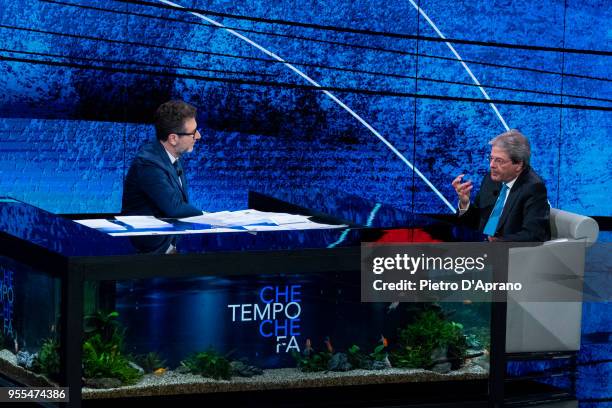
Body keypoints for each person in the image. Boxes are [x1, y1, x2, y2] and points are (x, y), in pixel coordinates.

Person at [452, 129, 551, 242]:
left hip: (508, 254)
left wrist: (498, 242)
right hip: (479, 248)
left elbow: (534, 234)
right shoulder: (490, 179)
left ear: (519, 164)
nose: (492, 165)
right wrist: (465, 203)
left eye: (499, 160)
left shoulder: (533, 187)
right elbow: (476, 222)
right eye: (491, 158)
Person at [122, 100, 204, 218]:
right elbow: (175, 209)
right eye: (193, 132)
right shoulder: (148, 163)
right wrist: (213, 218)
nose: (198, 136)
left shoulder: (174, 157)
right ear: (173, 139)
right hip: (150, 234)